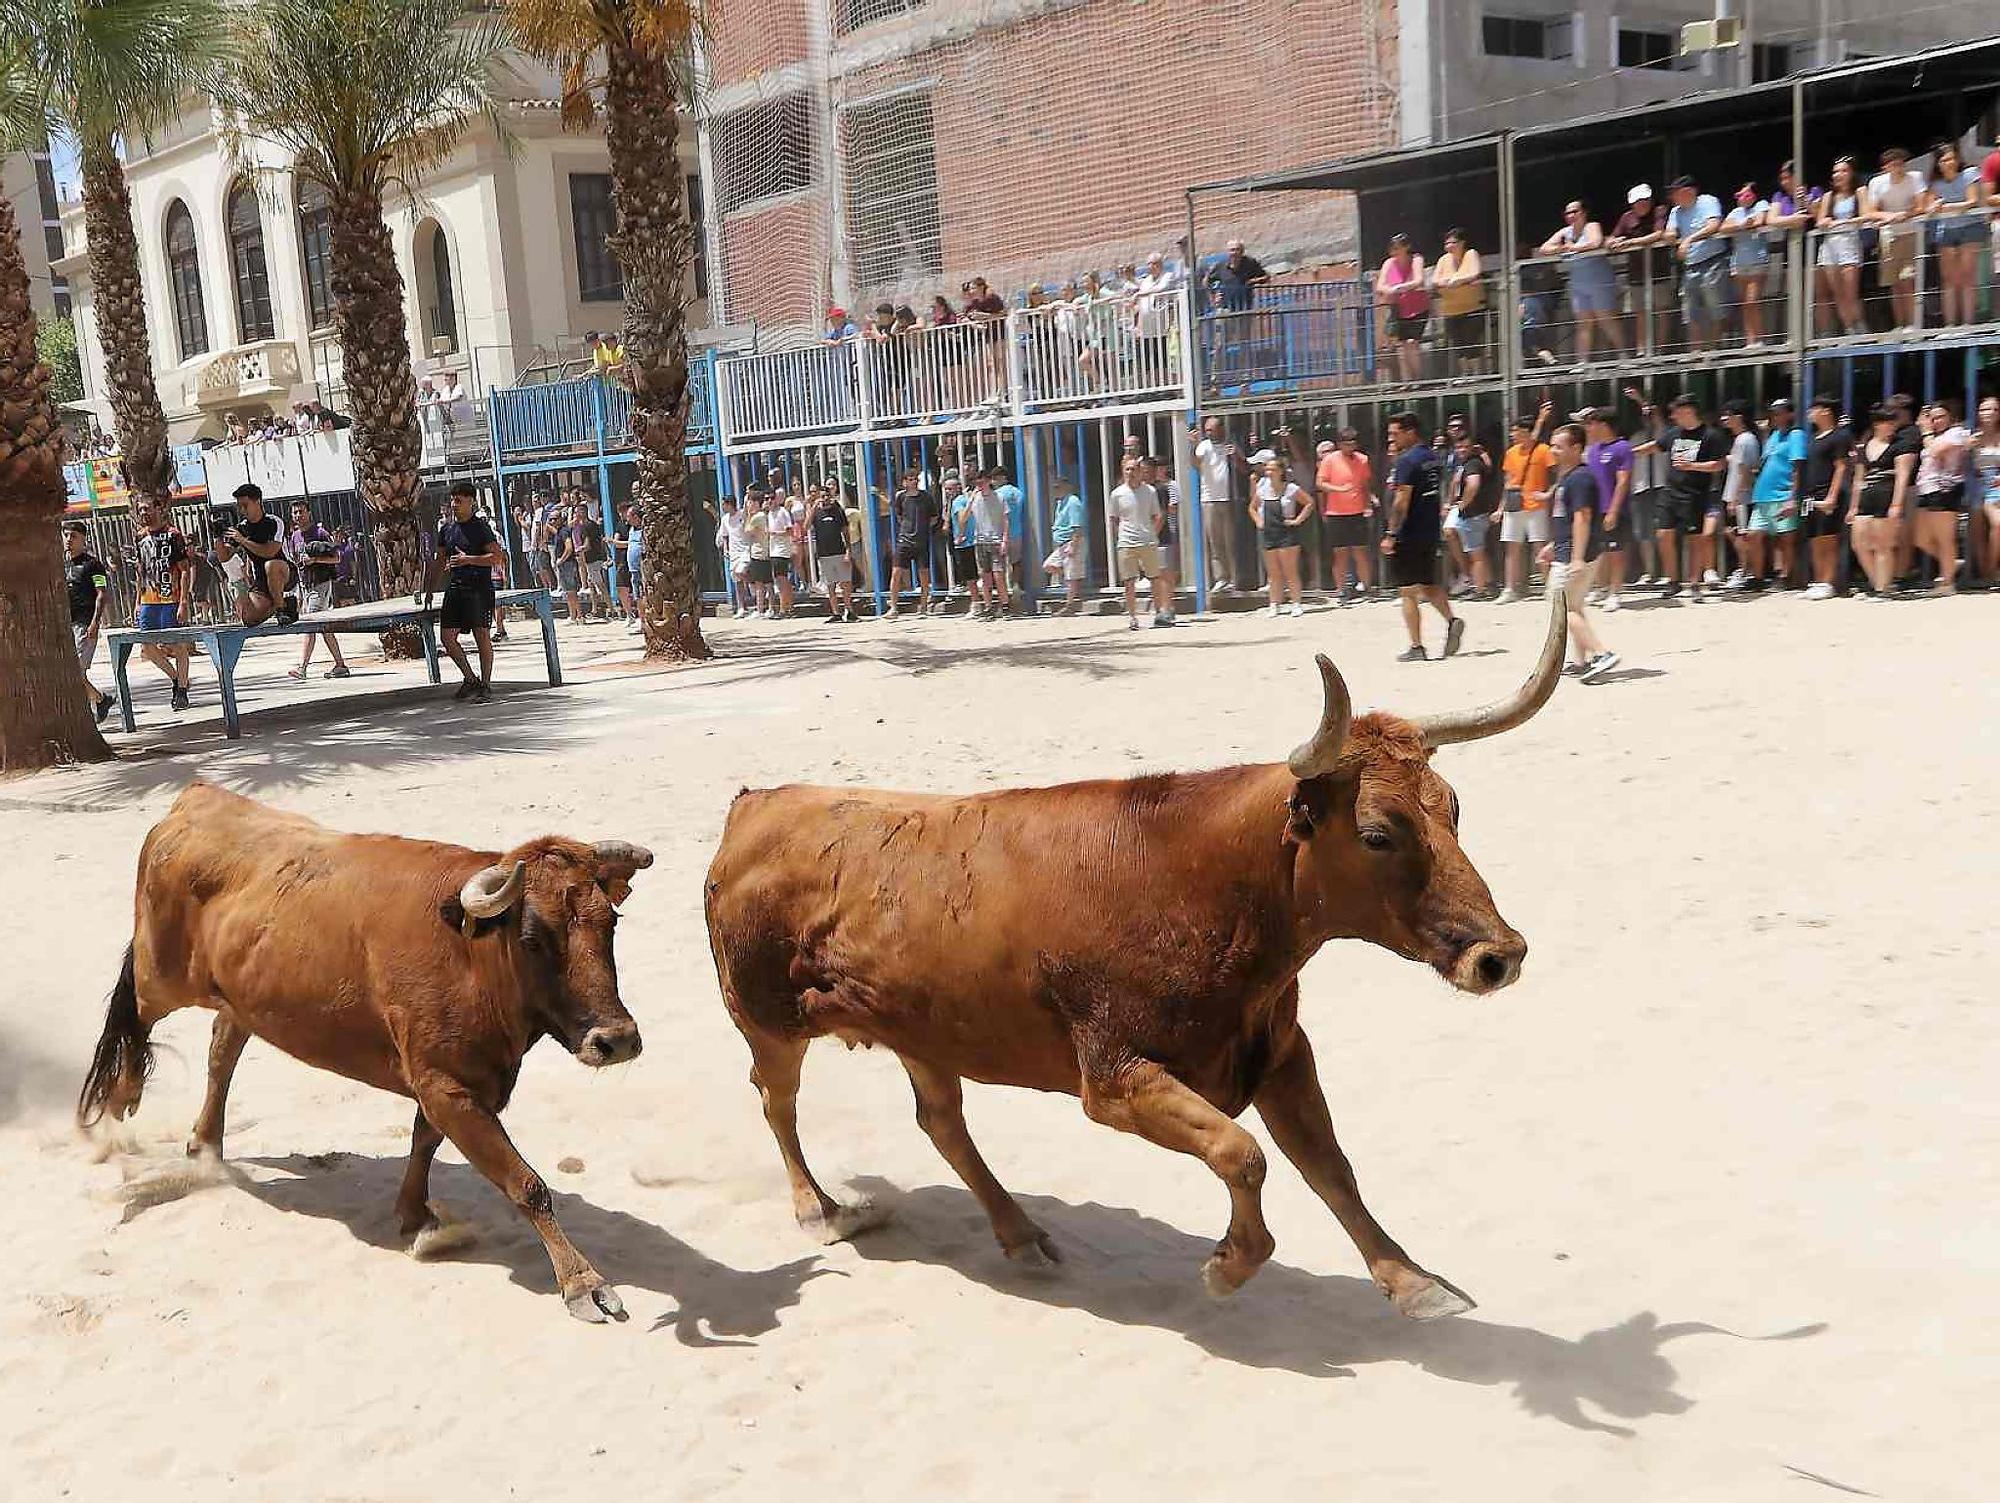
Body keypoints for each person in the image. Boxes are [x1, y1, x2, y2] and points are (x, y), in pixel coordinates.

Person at [1541, 423, 1619, 683]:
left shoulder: (1580, 478)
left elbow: (1582, 518)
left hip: (1575, 555)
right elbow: (1566, 519)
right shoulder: (1569, 477)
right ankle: (1581, 660)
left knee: (1561, 608)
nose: (1553, 450)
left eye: (1558, 446)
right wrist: (1554, 545)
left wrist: (1575, 556)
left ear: (1576, 448)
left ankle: (1602, 653)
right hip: (1568, 551)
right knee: (1573, 606)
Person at [1380, 412, 1459, 662]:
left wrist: (1391, 533)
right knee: (1428, 583)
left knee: (1408, 592)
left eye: (1395, 433)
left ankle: (1416, 646)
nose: (1392, 438)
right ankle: (1452, 620)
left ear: (1409, 431)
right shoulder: (1431, 457)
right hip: (1429, 531)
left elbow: (1402, 501)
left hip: (1409, 532)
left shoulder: (1406, 461)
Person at [420, 482, 506, 702]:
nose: (454, 505)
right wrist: (430, 589)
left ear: (471, 502)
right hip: (456, 587)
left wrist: (469, 559)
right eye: (453, 500)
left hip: (479, 588)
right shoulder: (447, 530)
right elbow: (440, 561)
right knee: (447, 637)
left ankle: (485, 684)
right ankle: (470, 678)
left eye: (459, 501)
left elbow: (497, 558)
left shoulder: (480, 527)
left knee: (481, 635)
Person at [1659, 394, 1728, 602]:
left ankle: (1694, 582)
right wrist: (1630, 452)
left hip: (1694, 494)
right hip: (1670, 492)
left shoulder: (1710, 435)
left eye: (1677, 412)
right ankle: (1673, 581)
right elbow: (1655, 446)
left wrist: (1692, 466)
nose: (1673, 416)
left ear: (1688, 411)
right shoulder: (1673, 434)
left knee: (1695, 540)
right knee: (1663, 535)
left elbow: (1720, 464)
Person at [130, 499, 194, 710]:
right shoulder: (140, 536)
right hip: (149, 599)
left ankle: (182, 691)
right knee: (148, 647)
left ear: (159, 509)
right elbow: (140, 570)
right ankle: (176, 678)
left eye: (147, 509)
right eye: (140, 510)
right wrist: (137, 601)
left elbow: (184, 569)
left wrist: (183, 601)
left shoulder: (174, 535)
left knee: (176, 645)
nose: (143, 513)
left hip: (171, 598)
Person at [1847, 405, 1915, 599]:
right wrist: (1853, 506)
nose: (1892, 426)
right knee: (1859, 543)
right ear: (1877, 424)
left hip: (1887, 493)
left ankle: (1882, 588)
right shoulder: (1865, 445)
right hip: (1867, 494)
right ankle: (1878, 583)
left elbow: (1902, 476)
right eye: (1888, 422)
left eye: (1894, 422)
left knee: (1883, 544)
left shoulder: (1899, 445)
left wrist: (1896, 504)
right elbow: (1858, 479)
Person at [1539, 201, 1619, 363]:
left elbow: (1595, 242)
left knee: (1606, 320)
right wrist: (1561, 248)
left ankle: (1624, 354)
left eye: (1575, 211)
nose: (1571, 215)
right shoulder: (1565, 232)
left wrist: (1573, 248)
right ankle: (1582, 362)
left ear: (1583, 213)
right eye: (1568, 213)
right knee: (1583, 324)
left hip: (1599, 280)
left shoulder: (1591, 226)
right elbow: (1544, 249)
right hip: (1578, 283)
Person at [285, 499, 351, 680]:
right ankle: (340, 664)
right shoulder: (294, 536)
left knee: (310, 626)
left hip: (320, 585)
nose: (298, 515)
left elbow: (337, 557)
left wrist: (315, 561)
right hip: (306, 586)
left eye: (301, 511)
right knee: (324, 628)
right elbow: (297, 561)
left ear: (308, 513)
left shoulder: (320, 533)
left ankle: (303, 668)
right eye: (295, 513)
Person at [1745, 398, 1805, 591]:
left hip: (1783, 494)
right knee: (1754, 535)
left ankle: (1785, 576)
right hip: (1763, 495)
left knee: (1785, 538)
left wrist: (1792, 498)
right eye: (1774, 413)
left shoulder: (1796, 435)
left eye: (1779, 412)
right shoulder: (1772, 436)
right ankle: (1758, 577)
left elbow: (1797, 468)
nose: (1775, 416)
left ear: (1790, 414)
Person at [1924, 141, 1986, 328]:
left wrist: (1944, 207)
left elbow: (1972, 201)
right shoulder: (1936, 184)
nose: (1948, 163)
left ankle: (1968, 323)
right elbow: (1928, 208)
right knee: (1949, 278)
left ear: (1957, 159)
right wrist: (1935, 207)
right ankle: (1950, 324)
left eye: (1951, 159)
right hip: (1947, 230)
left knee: (1967, 275)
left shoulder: (1969, 173)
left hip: (1970, 227)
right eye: (1943, 160)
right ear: (1938, 164)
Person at [216, 482, 296, 626]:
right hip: (261, 580)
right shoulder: (242, 528)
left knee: (271, 565)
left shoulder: (274, 522)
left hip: (283, 573)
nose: (242, 510)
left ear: (257, 501)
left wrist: (243, 541)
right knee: (248, 619)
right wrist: (218, 536)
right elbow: (224, 557)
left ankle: (281, 609)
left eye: (245, 505)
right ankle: (281, 603)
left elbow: (270, 552)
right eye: (239, 506)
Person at [1664, 176, 1729, 352]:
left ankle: (1715, 349)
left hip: (1713, 261)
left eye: (1675, 192)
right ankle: (1696, 352)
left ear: (1689, 191)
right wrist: (1671, 236)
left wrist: (1688, 240)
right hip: (1690, 266)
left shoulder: (1708, 201)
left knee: (1717, 308)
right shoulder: (1675, 211)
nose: (1672, 197)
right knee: (1690, 311)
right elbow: (1669, 232)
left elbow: (1714, 225)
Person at [1912, 400, 1968, 596]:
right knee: (1921, 538)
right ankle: (1951, 563)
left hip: (1944, 489)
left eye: (1940, 416)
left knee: (1944, 539)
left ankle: (1947, 583)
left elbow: (1935, 452)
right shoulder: (1933, 436)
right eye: (1932, 418)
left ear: (1950, 416)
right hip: (1926, 489)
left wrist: (1926, 431)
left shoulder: (1957, 433)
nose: (1935, 421)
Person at [1867, 147, 1926, 334]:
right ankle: (1900, 325)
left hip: (1910, 233)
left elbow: (1921, 205)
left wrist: (1905, 215)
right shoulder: (1876, 182)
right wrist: (1889, 216)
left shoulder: (1915, 177)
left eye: (1901, 163)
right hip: (1888, 236)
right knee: (1895, 284)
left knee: (1908, 280)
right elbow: (1871, 211)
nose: (1899, 167)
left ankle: (1913, 324)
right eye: (1894, 164)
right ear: (1886, 167)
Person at [1607, 183, 1671, 353]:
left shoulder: (1660, 211)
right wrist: (1613, 242)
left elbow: (1658, 234)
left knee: (1661, 311)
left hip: (1659, 271)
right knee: (1640, 312)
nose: (1642, 203)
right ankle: (1642, 350)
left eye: (1645, 200)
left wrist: (1629, 242)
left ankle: (1661, 349)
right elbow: (1612, 238)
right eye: (1638, 201)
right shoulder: (1626, 218)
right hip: (1636, 273)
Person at [1580, 408, 1634, 612]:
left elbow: (1623, 482)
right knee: (1598, 552)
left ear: (1603, 425)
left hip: (1614, 509)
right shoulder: (1592, 450)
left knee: (1616, 552)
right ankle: (1600, 588)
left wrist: (1613, 510)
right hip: (1594, 509)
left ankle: (1615, 592)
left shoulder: (1622, 448)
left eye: (1591, 424)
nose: (1588, 428)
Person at [1498, 406, 1553, 603]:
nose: (1512, 434)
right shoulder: (1511, 452)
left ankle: (1550, 587)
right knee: (1512, 548)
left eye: (1516, 431)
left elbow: (1557, 474)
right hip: (1514, 505)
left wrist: (1549, 494)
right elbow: (1507, 481)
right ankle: (1510, 588)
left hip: (1536, 506)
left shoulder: (1544, 450)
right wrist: (1500, 508)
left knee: (1540, 546)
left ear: (1527, 432)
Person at [1800, 396, 1852, 600]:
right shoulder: (1813, 437)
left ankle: (1829, 582)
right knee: (1814, 539)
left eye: (1814, 408)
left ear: (1826, 411)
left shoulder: (1839, 436)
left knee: (1828, 539)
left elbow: (1841, 467)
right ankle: (1818, 580)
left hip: (1827, 492)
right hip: (1811, 495)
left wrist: (1832, 496)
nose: (1810, 412)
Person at [63, 520, 115, 724]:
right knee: (73, 672)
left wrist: (95, 622)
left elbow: (101, 595)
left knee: (76, 672)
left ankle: (98, 701)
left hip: (85, 624)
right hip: (68, 624)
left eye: (73, 536)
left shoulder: (93, 565)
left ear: (83, 538)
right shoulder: (62, 563)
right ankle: (100, 700)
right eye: (66, 535)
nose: (68, 540)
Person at [1315, 430, 1374, 603]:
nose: (1351, 447)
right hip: (1336, 512)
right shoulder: (1329, 460)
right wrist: (1338, 489)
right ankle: (1341, 590)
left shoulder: (1362, 459)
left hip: (1357, 512)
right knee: (1340, 554)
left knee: (1360, 552)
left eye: (1353, 443)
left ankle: (1367, 588)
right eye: (1347, 443)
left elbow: (1365, 484)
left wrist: (1368, 504)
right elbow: (1320, 483)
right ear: (1340, 444)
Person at [1109, 456, 1167, 631]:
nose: (1130, 473)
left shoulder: (1149, 491)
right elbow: (1114, 518)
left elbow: (1157, 515)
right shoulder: (1117, 494)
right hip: (1127, 542)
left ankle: (1159, 614)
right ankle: (1133, 616)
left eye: (1133, 469)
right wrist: (1123, 534)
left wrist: (1152, 534)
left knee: (1154, 578)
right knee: (1129, 581)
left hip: (1147, 541)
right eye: (1127, 469)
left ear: (1140, 471)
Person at [1248, 454, 1308, 619]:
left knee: (1290, 570)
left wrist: (1297, 520)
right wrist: (1259, 522)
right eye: (1267, 469)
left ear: (1281, 471)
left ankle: (1296, 603)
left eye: (1273, 469)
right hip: (1269, 533)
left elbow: (1309, 503)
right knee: (1273, 573)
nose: (1269, 472)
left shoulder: (1291, 488)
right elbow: (1252, 508)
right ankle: (1274, 604)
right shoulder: (1262, 489)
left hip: (1286, 533)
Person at [1814, 156, 1868, 336]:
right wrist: (1826, 221)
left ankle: (1858, 325)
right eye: (1836, 171)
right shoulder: (1829, 196)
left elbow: (1866, 215)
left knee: (1850, 290)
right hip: (1830, 245)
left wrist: (1842, 222)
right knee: (1837, 292)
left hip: (1849, 243)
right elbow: (1820, 220)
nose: (1839, 175)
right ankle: (1849, 328)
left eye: (1843, 171)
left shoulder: (1859, 192)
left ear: (1851, 173)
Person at [1191, 415, 1245, 592]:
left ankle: (1236, 579)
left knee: (1232, 541)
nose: (1208, 433)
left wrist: (1235, 456)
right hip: (1210, 499)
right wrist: (1192, 444)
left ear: (1221, 429)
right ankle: (1221, 578)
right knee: (1215, 542)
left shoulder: (1231, 444)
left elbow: (1244, 469)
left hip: (1230, 498)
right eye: (1207, 430)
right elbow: (1196, 465)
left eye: (1211, 429)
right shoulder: (1203, 446)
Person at [1623, 387, 1670, 587]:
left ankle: (1668, 573)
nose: (1647, 417)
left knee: (1663, 532)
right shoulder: (1635, 438)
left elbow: (1656, 418)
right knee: (1643, 534)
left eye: (1649, 414)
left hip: (1660, 485)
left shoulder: (1663, 433)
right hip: (1640, 488)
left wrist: (1640, 400)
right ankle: (1651, 573)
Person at [1443, 428, 1494, 599]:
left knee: (1476, 553)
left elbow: (1473, 485)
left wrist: (1463, 504)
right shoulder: (1467, 464)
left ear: (1472, 447)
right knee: (1477, 551)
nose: (1462, 450)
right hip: (1474, 513)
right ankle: (1486, 584)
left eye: (1465, 447)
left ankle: (1479, 590)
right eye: (1459, 447)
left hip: (1474, 513)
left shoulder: (1472, 464)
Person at [1718, 400, 1763, 589]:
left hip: (1741, 497)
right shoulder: (1741, 440)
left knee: (1742, 535)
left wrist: (1735, 499)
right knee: (1733, 533)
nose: (1723, 418)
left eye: (1728, 414)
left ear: (1739, 417)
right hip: (1734, 495)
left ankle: (1746, 571)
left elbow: (1746, 471)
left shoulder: (1745, 439)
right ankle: (1743, 570)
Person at [1720, 183, 1772, 346]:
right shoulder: (1736, 212)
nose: (1742, 198)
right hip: (1739, 262)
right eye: (1740, 195)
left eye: (1746, 195)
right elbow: (1724, 228)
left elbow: (1759, 221)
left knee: (1752, 301)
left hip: (1757, 260)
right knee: (1745, 303)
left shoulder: (1761, 205)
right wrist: (1743, 225)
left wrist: (1740, 225)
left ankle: (1760, 338)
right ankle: (1750, 340)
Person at [1373, 233, 1429, 384]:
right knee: (1403, 346)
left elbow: (1419, 280)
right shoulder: (1388, 263)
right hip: (1398, 310)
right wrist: (1389, 290)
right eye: (1392, 249)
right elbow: (1380, 285)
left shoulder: (1416, 259)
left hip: (1418, 308)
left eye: (1398, 248)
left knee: (1412, 343)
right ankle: (1409, 381)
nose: (1394, 252)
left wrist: (1399, 287)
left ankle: (1418, 379)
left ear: (1407, 247)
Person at [1431, 227, 1487, 374]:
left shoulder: (1471, 254)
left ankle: (1477, 374)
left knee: (1471, 342)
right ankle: (1465, 374)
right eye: (1447, 243)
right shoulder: (1443, 260)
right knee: (1458, 345)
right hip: (1451, 311)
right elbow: (1435, 280)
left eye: (1453, 243)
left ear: (1462, 242)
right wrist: (1448, 282)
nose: (1449, 246)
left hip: (1472, 308)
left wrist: (1458, 280)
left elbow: (1475, 273)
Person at [886, 468, 937, 619]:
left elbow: (933, 518)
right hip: (905, 539)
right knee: (896, 573)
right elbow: (899, 515)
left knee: (924, 574)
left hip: (921, 540)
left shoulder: (926, 497)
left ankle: (924, 607)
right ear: (904, 482)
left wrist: (922, 527)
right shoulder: (900, 497)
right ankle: (893, 607)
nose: (913, 481)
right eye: (910, 479)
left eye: (915, 479)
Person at [809, 485, 857, 623]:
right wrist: (813, 508)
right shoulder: (816, 512)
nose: (825, 499)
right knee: (830, 585)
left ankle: (849, 610)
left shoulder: (838, 510)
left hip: (839, 551)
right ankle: (835, 612)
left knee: (846, 582)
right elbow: (806, 526)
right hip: (824, 554)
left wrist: (848, 551)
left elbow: (846, 531)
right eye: (822, 496)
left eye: (827, 496)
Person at [969, 471, 1012, 621]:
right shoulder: (975, 499)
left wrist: (1005, 539)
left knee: (998, 574)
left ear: (988, 481)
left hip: (995, 540)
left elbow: (1006, 519)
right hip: (980, 541)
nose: (979, 486)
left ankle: (1005, 605)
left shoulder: (999, 497)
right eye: (977, 483)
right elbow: (965, 517)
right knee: (985, 575)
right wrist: (970, 501)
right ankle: (988, 606)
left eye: (981, 482)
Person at [1044, 473, 1088, 615]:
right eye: (1055, 487)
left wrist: (1073, 546)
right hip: (1062, 543)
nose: (1056, 490)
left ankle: (1070, 605)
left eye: (1059, 487)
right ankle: (1074, 583)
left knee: (1070, 577)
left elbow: (1077, 526)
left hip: (1072, 541)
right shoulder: (1060, 503)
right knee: (1048, 566)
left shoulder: (1073, 501)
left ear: (1067, 487)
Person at [1142, 456, 1178, 626]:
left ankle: (1166, 608)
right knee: (1154, 576)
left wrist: (1152, 536)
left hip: (1160, 538)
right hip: (1146, 539)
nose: (1144, 474)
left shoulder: (1160, 489)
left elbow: (1162, 515)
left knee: (1164, 575)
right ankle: (1160, 609)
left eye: (1147, 471)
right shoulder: (1140, 490)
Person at [993, 467, 1030, 612]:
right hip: (1017, 532)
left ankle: (1004, 597)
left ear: (1003, 478)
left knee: (998, 566)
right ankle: (1015, 586)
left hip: (1001, 533)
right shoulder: (1018, 492)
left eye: (995, 478)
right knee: (1016, 562)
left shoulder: (998, 494)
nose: (993, 481)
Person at [1973, 396, 2000, 586]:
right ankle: (1984, 572)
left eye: (1993, 409)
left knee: (1997, 524)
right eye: (1984, 409)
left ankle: (1991, 570)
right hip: (1975, 484)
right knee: (1976, 530)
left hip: (1996, 485)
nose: (1989, 413)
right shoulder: (1973, 437)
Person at [946, 475, 980, 614]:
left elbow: (962, 519)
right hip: (975, 539)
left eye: (949, 489)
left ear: (958, 488)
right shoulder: (962, 500)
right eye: (946, 489)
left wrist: (960, 535)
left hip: (965, 542)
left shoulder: (958, 501)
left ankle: (976, 603)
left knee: (970, 576)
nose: (947, 492)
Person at [1202, 239, 1268, 313]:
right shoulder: (1221, 265)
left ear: (1242, 251)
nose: (1234, 253)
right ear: (1228, 252)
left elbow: (1265, 277)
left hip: (1245, 306)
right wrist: (1213, 299)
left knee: (1245, 324)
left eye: (1237, 250)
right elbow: (1206, 282)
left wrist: (1252, 281)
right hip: (1225, 307)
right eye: (1232, 250)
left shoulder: (1250, 263)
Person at [552, 497, 586, 622]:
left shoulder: (564, 531)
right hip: (564, 564)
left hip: (567, 564)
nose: (552, 521)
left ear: (561, 519)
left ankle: (579, 615)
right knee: (568, 591)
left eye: (555, 519)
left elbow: (569, 547)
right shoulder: (559, 531)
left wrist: (561, 560)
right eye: (551, 519)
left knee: (571, 591)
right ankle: (572, 616)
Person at [765, 487, 797, 617]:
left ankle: (784, 608)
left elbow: (790, 530)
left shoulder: (782, 512)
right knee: (780, 580)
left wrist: (775, 533)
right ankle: (788, 606)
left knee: (781, 580)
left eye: (772, 498)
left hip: (782, 551)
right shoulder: (768, 514)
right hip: (773, 550)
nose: (769, 501)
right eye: (767, 499)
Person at [742, 489, 773, 616]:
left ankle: (761, 609)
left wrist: (748, 515)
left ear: (755, 503)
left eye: (749, 502)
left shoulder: (757, 517)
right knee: (766, 583)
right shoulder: (761, 516)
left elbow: (747, 531)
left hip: (759, 552)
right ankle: (768, 607)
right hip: (760, 551)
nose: (748, 505)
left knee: (760, 583)